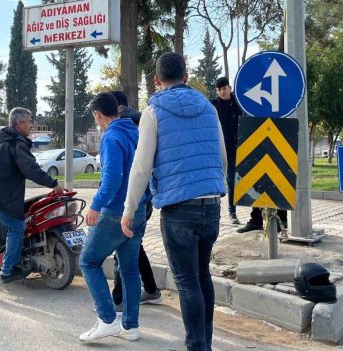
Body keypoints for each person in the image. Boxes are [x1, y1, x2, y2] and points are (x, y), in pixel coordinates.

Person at [121, 52, 228, 351]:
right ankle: (204, 342)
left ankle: (197, 346)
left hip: (178, 208)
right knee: (202, 274)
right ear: (186, 77)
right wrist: (218, 187)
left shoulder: (152, 113)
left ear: (156, 81)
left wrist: (129, 210)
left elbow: (141, 167)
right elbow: (221, 156)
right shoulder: (209, 108)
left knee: (187, 281)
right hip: (211, 203)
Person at [0, 107, 63, 294]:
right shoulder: (17, 142)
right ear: (20, 124)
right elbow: (30, 168)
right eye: (30, 122)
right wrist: (54, 184)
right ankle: (8, 270)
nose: (32, 125)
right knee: (17, 227)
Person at [79, 93, 148, 343]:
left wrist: (95, 206)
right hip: (138, 209)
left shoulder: (111, 137)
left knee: (88, 262)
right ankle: (130, 327)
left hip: (114, 213)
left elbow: (112, 179)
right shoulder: (136, 133)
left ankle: (107, 319)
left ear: (98, 115)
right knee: (130, 269)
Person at [109, 90, 162, 311]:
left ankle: (118, 300)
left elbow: (129, 168)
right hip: (145, 194)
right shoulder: (141, 120)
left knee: (122, 248)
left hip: (132, 197)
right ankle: (151, 289)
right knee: (133, 245)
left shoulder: (124, 125)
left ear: (118, 108)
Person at [210, 77, 242, 225]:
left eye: (225, 88)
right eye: (220, 89)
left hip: (239, 148)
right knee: (222, 181)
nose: (223, 91)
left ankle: (235, 212)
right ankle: (224, 212)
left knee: (235, 181)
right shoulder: (214, 106)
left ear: (229, 88)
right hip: (220, 149)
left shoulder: (239, 103)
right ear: (217, 91)